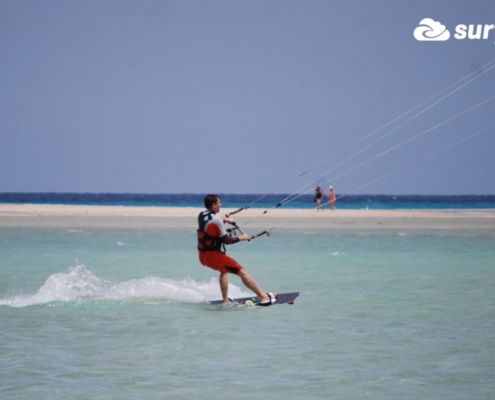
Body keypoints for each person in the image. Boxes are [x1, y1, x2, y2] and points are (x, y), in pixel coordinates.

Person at [197, 194, 276, 305]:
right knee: (242, 271)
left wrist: (224, 221)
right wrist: (242, 238)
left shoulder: (202, 215)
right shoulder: (216, 220)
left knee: (224, 271)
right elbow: (226, 240)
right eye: (219, 202)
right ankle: (263, 297)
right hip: (213, 256)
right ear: (214, 205)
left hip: (202, 257)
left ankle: (225, 301)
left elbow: (210, 228)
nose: (221, 204)